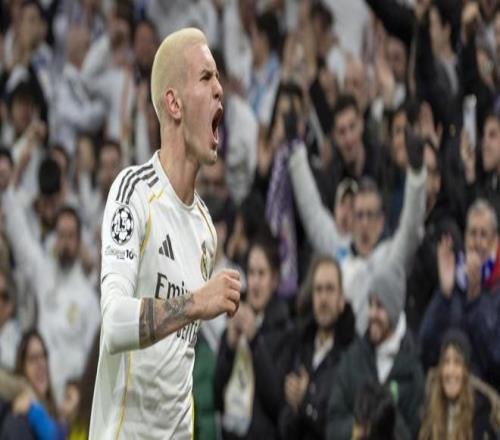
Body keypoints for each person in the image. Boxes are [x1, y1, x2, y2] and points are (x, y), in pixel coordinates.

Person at [89, 28, 241, 439]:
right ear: (174, 104)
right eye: (206, 77)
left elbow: (177, 367)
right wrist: (195, 303)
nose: (220, 89)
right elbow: (114, 324)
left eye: (218, 78)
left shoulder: (206, 229)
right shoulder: (134, 193)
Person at [327, 263, 424, 440]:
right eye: (370, 304)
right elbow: (333, 426)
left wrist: (384, 416)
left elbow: (417, 433)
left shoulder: (413, 369)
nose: (371, 314)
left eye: (380, 306)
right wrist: (359, 429)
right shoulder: (353, 358)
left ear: (394, 310)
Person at [214, 237, 295, 440]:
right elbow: (216, 397)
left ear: (274, 280)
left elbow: (277, 402)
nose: (255, 282)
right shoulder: (234, 321)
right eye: (251, 273)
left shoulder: (287, 333)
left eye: (262, 273)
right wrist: (230, 348)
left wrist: (254, 339)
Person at [279, 255, 356, 440]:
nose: (323, 298)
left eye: (330, 289)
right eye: (318, 290)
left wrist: (306, 402)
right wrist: (294, 407)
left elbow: (344, 427)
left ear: (341, 299)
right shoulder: (300, 344)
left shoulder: (354, 353)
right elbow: (283, 424)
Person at [419, 329, 500, 439]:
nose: (450, 370)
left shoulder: (482, 412)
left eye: (457, 362)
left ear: (465, 370)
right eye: (446, 362)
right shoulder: (430, 410)